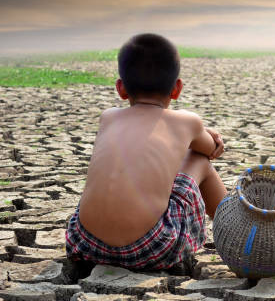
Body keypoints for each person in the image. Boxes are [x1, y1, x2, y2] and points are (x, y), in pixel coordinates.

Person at [65, 33, 228, 270]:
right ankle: (235, 231)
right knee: (198, 159)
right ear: (177, 88)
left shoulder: (108, 118)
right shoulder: (186, 122)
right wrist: (207, 134)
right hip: (152, 248)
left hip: (85, 245)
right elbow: (210, 149)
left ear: (121, 89)